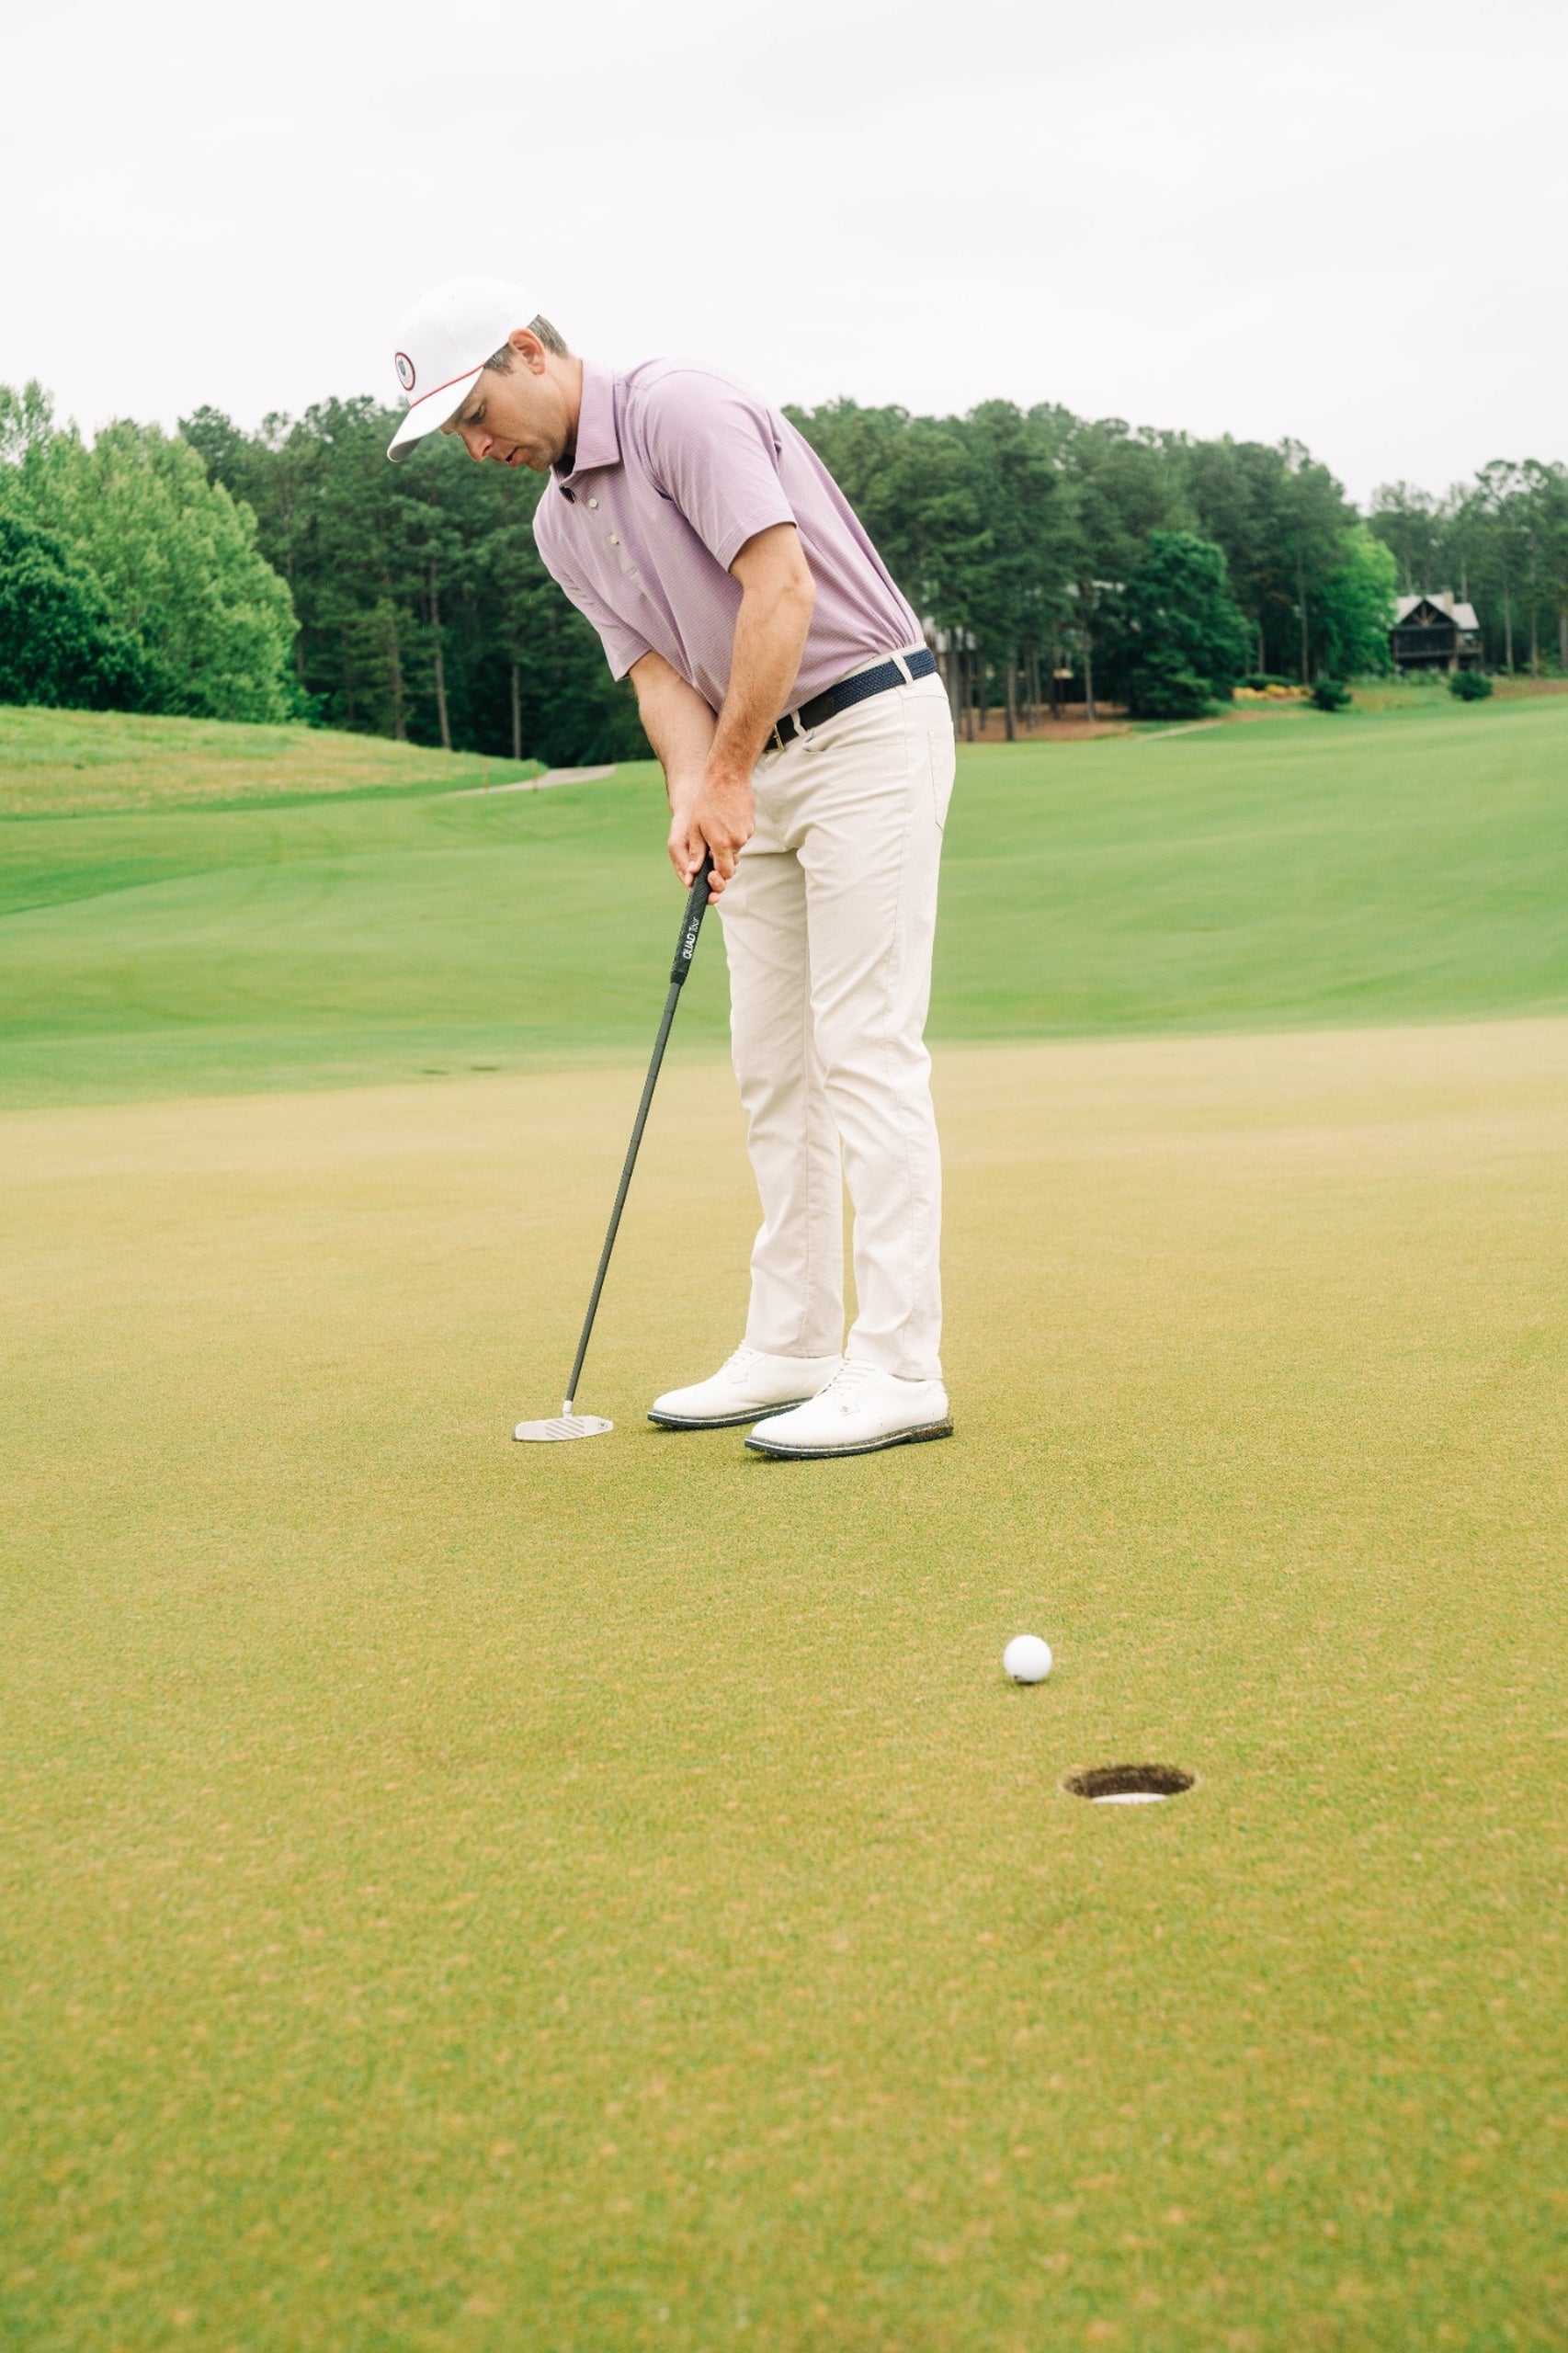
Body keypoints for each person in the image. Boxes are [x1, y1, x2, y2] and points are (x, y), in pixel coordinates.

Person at [387, 277, 956, 1460]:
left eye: (474, 411)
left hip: (862, 727)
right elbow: (658, 678)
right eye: (452, 433)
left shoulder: (674, 411)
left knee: (861, 1045)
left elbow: (780, 588)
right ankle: (794, 1342)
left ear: (529, 352)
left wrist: (730, 773)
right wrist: (694, 795)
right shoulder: (556, 524)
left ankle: (899, 1364)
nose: (474, 443)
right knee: (771, 1063)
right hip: (758, 758)